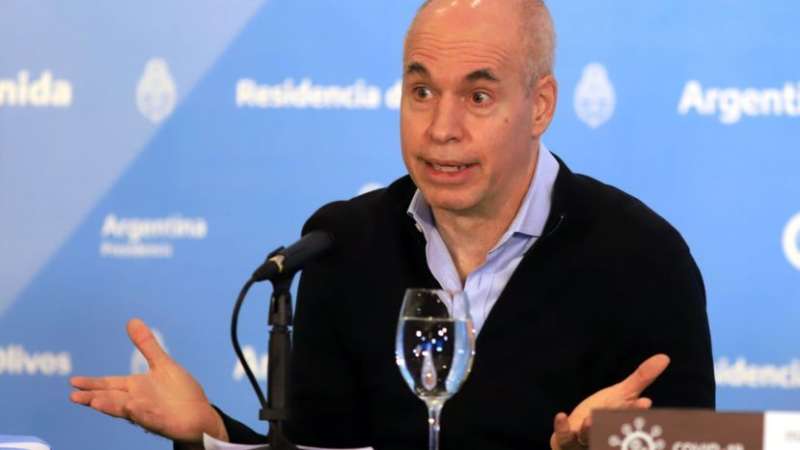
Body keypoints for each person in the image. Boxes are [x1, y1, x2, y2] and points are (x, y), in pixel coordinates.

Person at [69, 1, 715, 449]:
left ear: (540, 105)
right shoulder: (343, 245)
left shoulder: (642, 258)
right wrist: (209, 432)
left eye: (478, 96)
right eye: (421, 91)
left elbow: (694, 445)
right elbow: (320, 449)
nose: (440, 129)